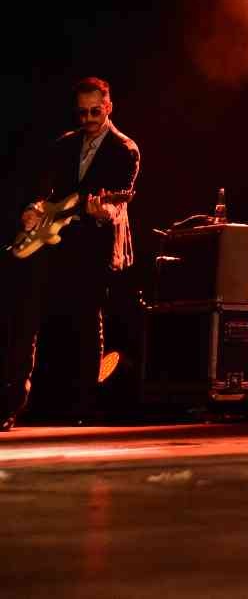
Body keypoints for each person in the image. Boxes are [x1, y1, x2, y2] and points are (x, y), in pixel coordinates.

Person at [2, 77, 139, 428]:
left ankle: (84, 406)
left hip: (92, 248)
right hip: (53, 243)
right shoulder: (64, 145)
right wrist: (32, 209)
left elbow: (119, 199)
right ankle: (10, 404)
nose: (89, 118)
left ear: (109, 107)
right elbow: (44, 190)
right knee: (26, 320)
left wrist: (102, 210)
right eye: (82, 113)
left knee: (85, 324)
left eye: (96, 111)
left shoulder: (125, 150)